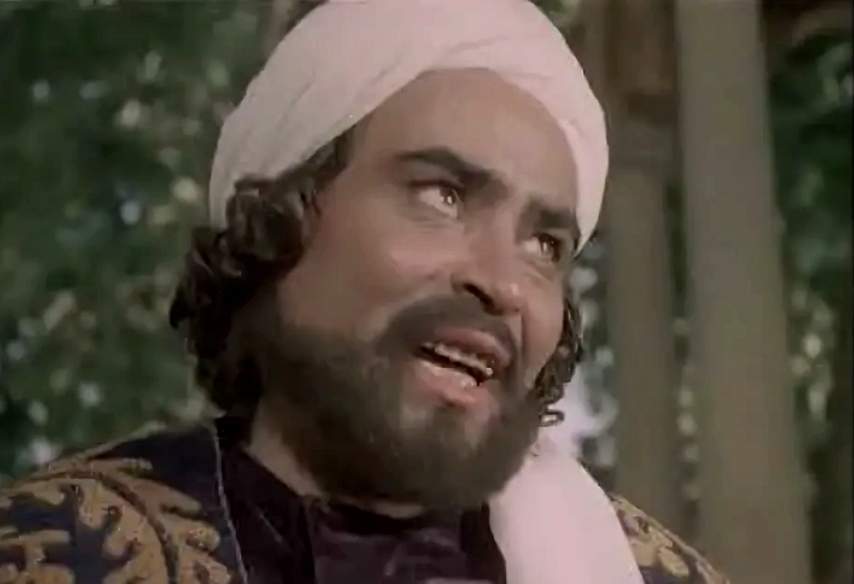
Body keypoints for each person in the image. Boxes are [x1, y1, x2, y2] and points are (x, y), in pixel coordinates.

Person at [0, 1, 731, 583]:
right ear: (283, 218)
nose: (504, 282)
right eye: (443, 196)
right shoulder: (59, 551)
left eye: (545, 245)